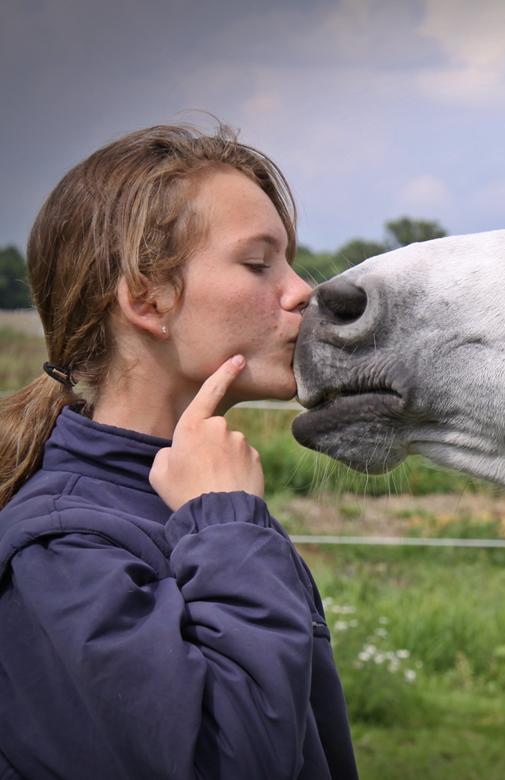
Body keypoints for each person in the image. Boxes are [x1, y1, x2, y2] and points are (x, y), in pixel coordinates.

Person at [0, 125, 358, 778]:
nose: (301, 290)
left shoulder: (180, 501)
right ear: (146, 299)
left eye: (290, 261)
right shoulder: (63, 550)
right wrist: (225, 522)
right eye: (258, 264)